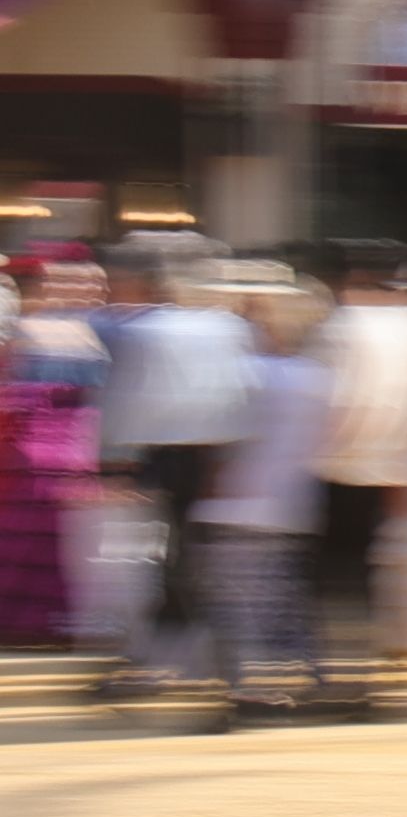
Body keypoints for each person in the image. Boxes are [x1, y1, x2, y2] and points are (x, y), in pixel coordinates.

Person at [94, 239, 254, 693]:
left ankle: (164, 653)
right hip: (214, 455)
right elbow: (242, 391)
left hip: (163, 456)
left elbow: (127, 399)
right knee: (194, 560)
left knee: (160, 559)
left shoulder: (144, 331)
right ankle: (187, 654)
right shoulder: (226, 327)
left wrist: (114, 461)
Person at [194, 261, 350, 721]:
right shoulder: (318, 379)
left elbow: (219, 440)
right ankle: (307, 674)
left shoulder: (242, 373)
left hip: (235, 504)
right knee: (284, 594)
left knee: (235, 600)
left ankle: (246, 685)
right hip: (291, 504)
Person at [309, 238, 407, 675]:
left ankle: (343, 662)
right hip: (403, 460)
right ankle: (377, 654)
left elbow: (332, 398)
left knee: (337, 569)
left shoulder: (342, 324)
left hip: (341, 461)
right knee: (381, 565)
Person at [1, 247, 106, 647]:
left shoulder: (22, 335)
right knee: (58, 546)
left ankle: (21, 621)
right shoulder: (86, 334)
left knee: (20, 541)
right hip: (73, 450)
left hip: (26, 450)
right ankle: (54, 621)